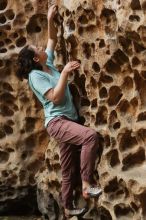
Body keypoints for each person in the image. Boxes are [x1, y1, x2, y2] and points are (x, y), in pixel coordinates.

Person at [17, 4, 102, 218]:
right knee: (90, 137)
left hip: (67, 120)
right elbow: (54, 97)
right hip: (58, 122)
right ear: (36, 58)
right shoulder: (35, 76)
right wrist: (64, 72)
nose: (40, 47)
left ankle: (66, 206)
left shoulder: (47, 65)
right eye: (36, 48)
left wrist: (49, 19)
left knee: (67, 168)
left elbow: (52, 40)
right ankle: (86, 184)